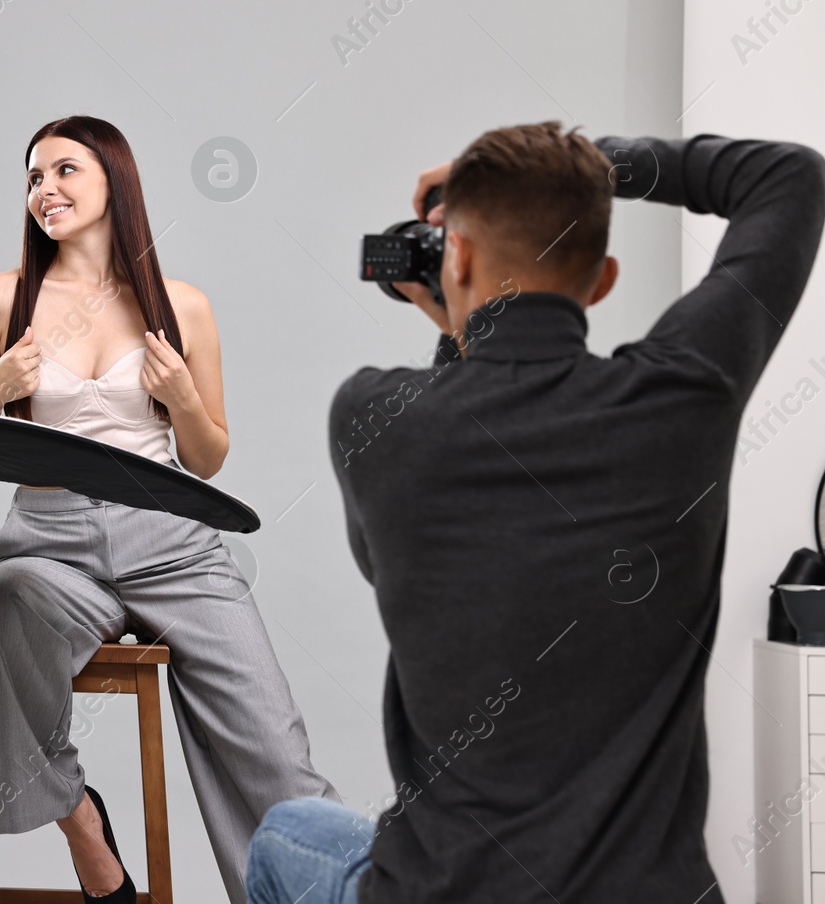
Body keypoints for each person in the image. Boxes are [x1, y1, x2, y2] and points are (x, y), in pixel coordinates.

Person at [246, 122, 825, 903]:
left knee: (286, 831)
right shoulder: (684, 397)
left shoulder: (372, 418)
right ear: (605, 279)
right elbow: (792, 177)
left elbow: (392, 560)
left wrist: (461, 334)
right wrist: (590, 169)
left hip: (447, 889)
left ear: (454, 255)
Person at [0, 115, 338, 904]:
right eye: (32, 178)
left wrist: (183, 397)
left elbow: (208, 457)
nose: (44, 190)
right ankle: (83, 825)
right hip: (50, 544)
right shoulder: (1, 300)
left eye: (64, 171)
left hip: (173, 545)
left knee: (275, 748)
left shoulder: (181, 304)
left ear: (114, 181)